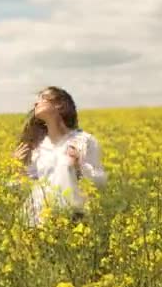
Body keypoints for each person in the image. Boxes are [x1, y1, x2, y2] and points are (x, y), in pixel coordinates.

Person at [11, 86, 107, 227]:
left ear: (59, 104)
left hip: (73, 222)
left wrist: (79, 166)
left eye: (43, 98)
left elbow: (100, 182)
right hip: (39, 224)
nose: (35, 104)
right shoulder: (37, 147)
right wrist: (16, 167)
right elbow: (24, 191)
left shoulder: (83, 140)